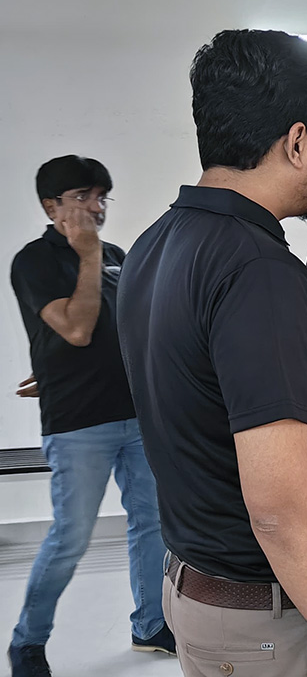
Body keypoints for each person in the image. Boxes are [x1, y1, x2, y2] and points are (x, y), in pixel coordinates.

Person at [117, 30, 307, 677]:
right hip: (265, 623)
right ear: (296, 142)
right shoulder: (258, 275)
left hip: (202, 592)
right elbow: (280, 509)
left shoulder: (156, 243)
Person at [8, 156, 172, 677]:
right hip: (78, 426)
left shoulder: (116, 255)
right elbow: (77, 328)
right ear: (50, 205)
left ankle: (149, 626)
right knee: (70, 538)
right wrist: (85, 256)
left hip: (134, 415)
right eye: (83, 197)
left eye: (102, 196)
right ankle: (28, 643)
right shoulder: (34, 261)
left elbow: (127, 331)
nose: (97, 208)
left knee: (153, 524)